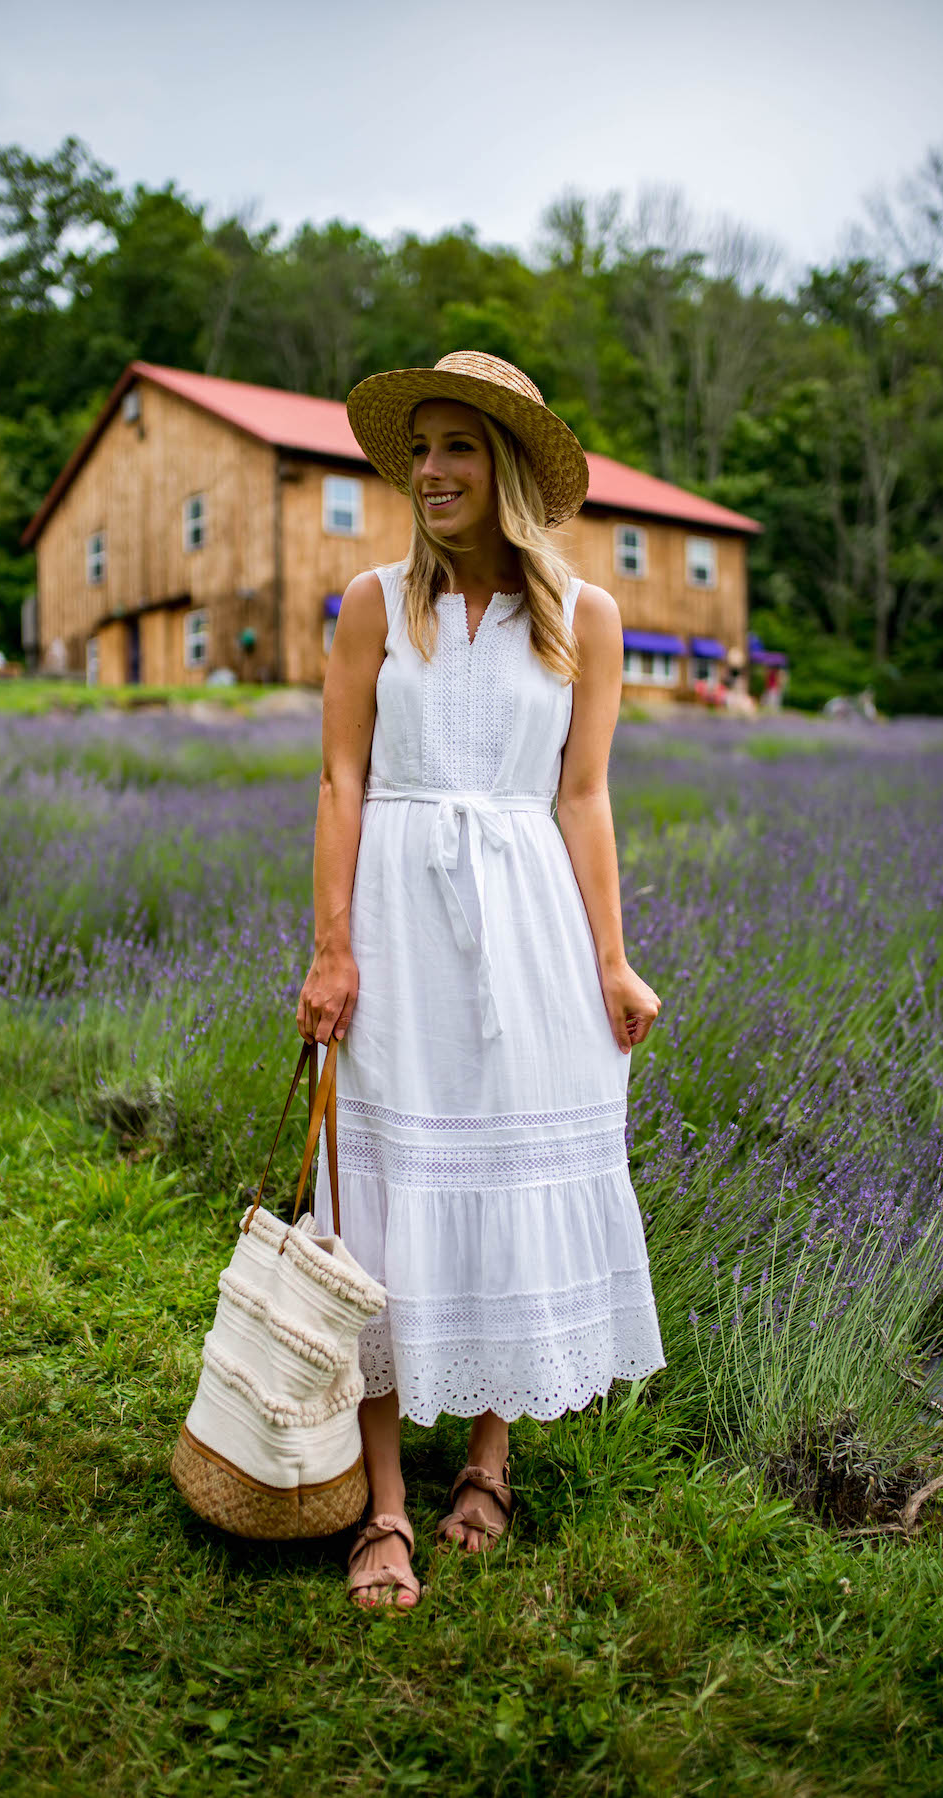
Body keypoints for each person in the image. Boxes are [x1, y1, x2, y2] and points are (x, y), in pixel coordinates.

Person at [296, 352, 666, 1610]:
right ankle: (384, 1500)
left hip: (526, 928)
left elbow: (585, 797)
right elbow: (342, 781)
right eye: (422, 449)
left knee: (505, 1169)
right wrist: (332, 945)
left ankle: (490, 1461)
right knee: (381, 1195)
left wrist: (612, 961)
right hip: (398, 913)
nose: (433, 471)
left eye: (459, 447)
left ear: (505, 467)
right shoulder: (370, 602)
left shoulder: (585, 618)